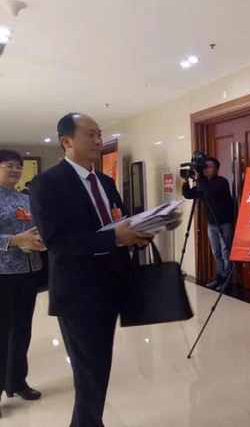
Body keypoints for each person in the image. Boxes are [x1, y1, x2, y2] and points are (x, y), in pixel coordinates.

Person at [30, 113, 152, 427]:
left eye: (100, 134)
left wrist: (141, 233)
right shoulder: (47, 184)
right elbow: (57, 242)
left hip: (112, 286)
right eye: (90, 135)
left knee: (99, 367)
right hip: (78, 293)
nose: (99, 141)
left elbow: (121, 222)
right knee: (89, 372)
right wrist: (114, 237)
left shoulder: (106, 183)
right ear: (66, 141)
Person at [0, 150, 46, 418]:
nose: (15, 170)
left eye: (18, 166)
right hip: (3, 273)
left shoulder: (26, 199)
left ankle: (17, 381)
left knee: (22, 330)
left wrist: (41, 239)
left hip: (28, 271)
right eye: (9, 165)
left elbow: (39, 227)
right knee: (2, 333)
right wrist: (14, 241)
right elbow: (16, 237)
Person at [182, 157, 235, 289]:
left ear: (216, 169)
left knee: (226, 252)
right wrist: (186, 181)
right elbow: (188, 194)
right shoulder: (203, 183)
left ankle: (226, 280)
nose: (205, 169)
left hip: (224, 223)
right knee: (216, 252)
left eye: (209, 167)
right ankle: (219, 277)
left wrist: (199, 178)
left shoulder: (221, 182)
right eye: (204, 167)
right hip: (211, 224)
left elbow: (209, 192)